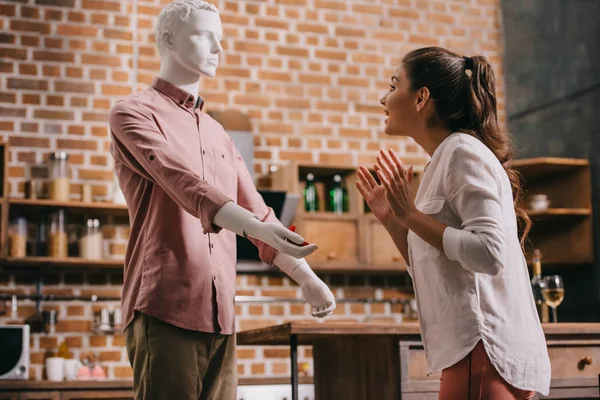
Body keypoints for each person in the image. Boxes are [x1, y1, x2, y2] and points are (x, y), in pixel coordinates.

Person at [108, 1, 335, 399]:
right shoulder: (133, 113)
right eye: (203, 35)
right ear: (167, 39)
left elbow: (260, 213)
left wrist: (308, 278)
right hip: (165, 309)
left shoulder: (219, 134)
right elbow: (183, 183)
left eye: (221, 39)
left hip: (221, 317)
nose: (217, 49)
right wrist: (253, 226)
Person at [356, 46, 551, 399]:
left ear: (421, 98)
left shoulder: (462, 152)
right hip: (475, 354)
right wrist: (394, 220)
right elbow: (437, 262)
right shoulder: (444, 159)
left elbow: (490, 254)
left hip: (483, 352)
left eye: (393, 85)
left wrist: (411, 215)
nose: (383, 98)